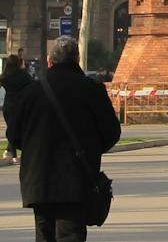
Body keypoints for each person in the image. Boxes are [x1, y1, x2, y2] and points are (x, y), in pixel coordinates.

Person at [3, 36, 121, 242]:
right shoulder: (92, 90)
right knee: (71, 235)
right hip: (76, 178)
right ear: (77, 59)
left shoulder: (31, 93)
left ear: (49, 62)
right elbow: (112, 132)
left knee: (44, 235)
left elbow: (13, 134)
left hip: (38, 180)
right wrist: (90, 150)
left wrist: (33, 150)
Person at [1, 54, 33, 163]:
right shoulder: (23, 75)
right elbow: (31, 85)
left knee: (12, 129)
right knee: (19, 130)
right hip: (19, 106)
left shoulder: (5, 76)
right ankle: (12, 154)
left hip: (7, 107)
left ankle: (11, 153)